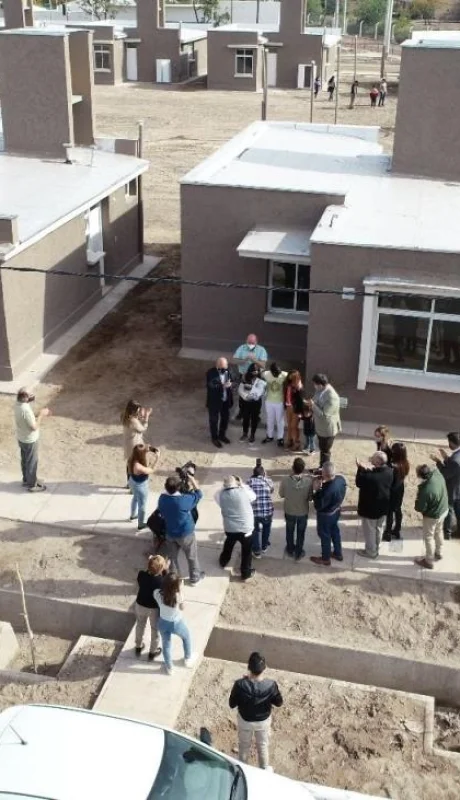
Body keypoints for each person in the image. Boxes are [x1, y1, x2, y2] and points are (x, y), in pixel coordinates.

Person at [229, 651, 283, 771]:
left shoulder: (240, 685)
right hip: (263, 722)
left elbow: (232, 704)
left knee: (244, 746)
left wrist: (244, 684)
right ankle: (264, 769)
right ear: (264, 668)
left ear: (249, 668)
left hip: (245, 721)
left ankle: (243, 769)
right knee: (263, 745)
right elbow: (279, 703)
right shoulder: (271, 685)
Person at [158, 474, 204, 586]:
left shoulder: (162, 499)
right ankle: (195, 578)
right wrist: (192, 479)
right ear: (178, 488)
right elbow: (199, 494)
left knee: (172, 558)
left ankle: (175, 580)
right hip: (185, 534)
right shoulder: (183, 500)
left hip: (170, 533)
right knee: (191, 556)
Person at [154, 572, 196, 675]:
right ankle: (187, 659)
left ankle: (169, 668)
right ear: (176, 586)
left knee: (166, 645)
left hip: (162, 622)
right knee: (186, 637)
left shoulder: (157, 593)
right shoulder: (178, 596)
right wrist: (181, 591)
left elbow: (160, 595)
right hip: (176, 623)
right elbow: (182, 608)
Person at [216, 475, 256, 581]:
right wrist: (242, 484)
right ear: (236, 484)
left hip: (230, 528)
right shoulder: (243, 492)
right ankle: (245, 573)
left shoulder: (221, 494)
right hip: (245, 528)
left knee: (229, 544)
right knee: (246, 552)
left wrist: (225, 486)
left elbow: (217, 497)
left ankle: (223, 561)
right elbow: (253, 496)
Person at [356, 451, 393, 559]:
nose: (371, 458)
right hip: (383, 507)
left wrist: (360, 468)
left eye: (373, 457)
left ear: (377, 462)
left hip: (370, 509)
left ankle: (371, 552)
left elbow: (359, 482)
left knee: (370, 531)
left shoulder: (369, 476)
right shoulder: (390, 471)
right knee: (379, 528)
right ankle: (377, 546)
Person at [310, 462, 347, 567]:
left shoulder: (326, 491)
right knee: (335, 531)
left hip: (326, 516)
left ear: (325, 474)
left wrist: (316, 490)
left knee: (325, 535)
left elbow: (318, 506)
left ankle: (325, 558)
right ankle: (337, 553)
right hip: (336, 511)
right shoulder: (341, 479)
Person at [14, 387, 50, 492]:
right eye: (30, 395)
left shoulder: (18, 404)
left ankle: (27, 479)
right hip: (30, 440)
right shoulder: (25, 409)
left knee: (25, 460)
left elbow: (26, 419)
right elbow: (34, 427)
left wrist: (36, 415)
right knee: (32, 462)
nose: (32, 396)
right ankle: (32, 485)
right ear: (25, 397)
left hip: (22, 438)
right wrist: (41, 415)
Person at [414, 464, 448, 570]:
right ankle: (439, 552)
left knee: (428, 537)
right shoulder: (437, 474)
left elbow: (420, 508)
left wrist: (417, 500)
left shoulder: (425, 490)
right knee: (439, 531)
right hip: (444, 509)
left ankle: (429, 560)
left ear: (421, 476)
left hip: (433, 516)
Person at [279, 457, 313, 561]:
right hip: (302, 512)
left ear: (292, 468)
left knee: (289, 531)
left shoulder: (285, 480)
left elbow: (281, 494)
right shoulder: (308, 481)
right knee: (301, 533)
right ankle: (298, 552)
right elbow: (310, 498)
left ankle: (290, 549)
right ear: (303, 469)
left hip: (289, 511)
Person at [134, 554, 167, 660]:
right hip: (154, 609)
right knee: (155, 629)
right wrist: (165, 569)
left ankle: (138, 646)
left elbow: (145, 575)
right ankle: (152, 652)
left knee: (140, 625)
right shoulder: (162, 581)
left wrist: (151, 563)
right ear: (161, 569)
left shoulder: (141, 575)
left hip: (140, 604)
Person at [431, 432, 460, 540]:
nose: (448, 444)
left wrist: (438, 461)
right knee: (458, 509)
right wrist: (446, 458)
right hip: (458, 487)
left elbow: (445, 474)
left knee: (449, 510)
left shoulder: (455, 460)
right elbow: (454, 468)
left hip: (452, 488)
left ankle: (447, 533)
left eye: (449, 442)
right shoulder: (456, 456)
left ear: (452, 443)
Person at [308, 373, 341, 466]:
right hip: (321, 427)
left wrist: (313, 406)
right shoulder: (320, 390)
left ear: (320, 384)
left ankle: (324, 470)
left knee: (325, 451)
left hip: (328, 429)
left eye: (315, 384)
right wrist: (310, 404)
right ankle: (321, 468)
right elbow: (315, 400)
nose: (314, 386)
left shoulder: (332, 397)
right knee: (322, 449)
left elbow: (324, 415)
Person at [233, 334, 268, 420]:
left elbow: (263, 365)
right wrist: (245, 359)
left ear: (256, 342)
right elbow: (235, 360)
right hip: (244, 375)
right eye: (249, 342)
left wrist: (254, 360)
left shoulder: (261, 350)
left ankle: (256, 414)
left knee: (256, 394)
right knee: (243, 394)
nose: (250, 344)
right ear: (246, 341)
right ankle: (242, 412)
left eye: (252, 342)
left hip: (256, 376)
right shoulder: (241, 348)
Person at [383, 441, 410, 541]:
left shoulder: (393, 466)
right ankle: (397, 530)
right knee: (398, 509)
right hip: (400, 489)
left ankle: (388, 532)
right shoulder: (405, 463)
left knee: (390, 512)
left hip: (392, 490)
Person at [121, 400, 153, 484]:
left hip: (128, 444)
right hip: (134, 444)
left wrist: (140, 416)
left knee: (129, 463)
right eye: (137, 410)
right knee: (135, 465)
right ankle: (133, 484)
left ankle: (129, 483)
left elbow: (135, 420)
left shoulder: (124, 415)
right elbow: (143, 429)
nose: (138, 411)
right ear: (133, 411)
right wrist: (146, 417)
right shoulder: (133, 421)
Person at [128, 444, 158, 530]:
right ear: (141, 454)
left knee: (135, 498)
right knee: (142, 505)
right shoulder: (138, 466)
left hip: (132, 481)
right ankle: (141, 524)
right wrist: (157, 458)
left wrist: (146, 449)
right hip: (140, 486)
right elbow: (151, 470)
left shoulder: (132, 458)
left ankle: (133, 515)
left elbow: (140, 451)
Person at [247, 463, 274, 558]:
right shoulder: (268, 481)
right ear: (264, 473)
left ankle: (256, 550)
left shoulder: (249, 481)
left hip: (254, 512)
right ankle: (264, 546)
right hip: (267, 511)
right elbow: (271, 490)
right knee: (266, 528)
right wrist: (265, 477)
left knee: (255, 530)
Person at [206, 357, 233, 449]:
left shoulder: (227, 371)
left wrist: (231, 384)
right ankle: (215, 438)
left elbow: (232, 379)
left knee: (225, 419)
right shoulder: (211, 372)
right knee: (214, 421)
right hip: (214, 402)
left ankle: (222, 435)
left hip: (225, 401)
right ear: (219, 365)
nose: (227, 366)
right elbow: (211, 385)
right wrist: (223, 386)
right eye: (225, 365)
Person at [238, 365, 266, 443]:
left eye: (257, 371)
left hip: (256, 403)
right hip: (246, 402)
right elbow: (240, 389)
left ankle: (252, 435)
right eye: (254, 371)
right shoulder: (245, 378)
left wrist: (257, 396)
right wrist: (245, 397)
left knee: (254, 419)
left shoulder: (261, 379)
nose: (255, 372)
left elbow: (263, 391)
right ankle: (245, 434)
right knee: (245, 418)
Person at [262, 362, 287, 447]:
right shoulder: (266, 374)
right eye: (275, 373)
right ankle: (270, 436)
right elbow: (260, 374)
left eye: (278, 374)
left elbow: (293, 376)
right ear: (271, 371)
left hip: (279, 402)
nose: (277, 375)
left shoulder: (283, 374)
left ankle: (280, 438)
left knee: (280, 420)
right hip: (269, 401)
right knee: (270, 419)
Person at [283, 370, 305, 452]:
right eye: (290, 375)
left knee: (294, 426)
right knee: (289, 425)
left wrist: (300, 412)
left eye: (292, 376)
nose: (290, 377)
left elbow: (300, 400)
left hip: (295, 408)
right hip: (288, 406)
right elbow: (285, 395)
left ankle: (297, 443)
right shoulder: (288, 384)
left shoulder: (299, 386)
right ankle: (290, 440)